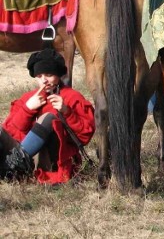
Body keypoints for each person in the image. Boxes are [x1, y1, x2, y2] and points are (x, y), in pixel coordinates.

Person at [0, 48, 95, 184]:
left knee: (49, 118)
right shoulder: (28, 98)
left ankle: (12, 167)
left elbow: (84, 137)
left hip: (51, 159)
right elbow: (10, 132)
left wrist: (67, 112)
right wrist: (27, 109)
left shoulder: (72, 97)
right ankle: (12, 166)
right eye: (39, 76)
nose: (44, 80)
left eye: (49, 75)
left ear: (58, 75)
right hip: (25, 158)